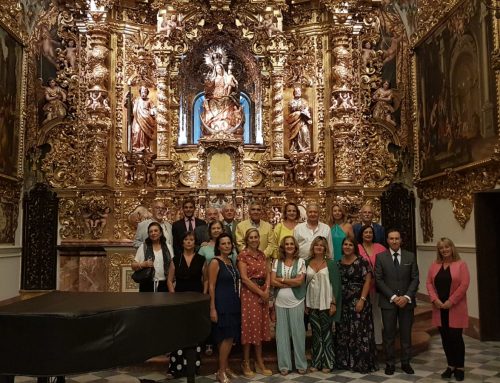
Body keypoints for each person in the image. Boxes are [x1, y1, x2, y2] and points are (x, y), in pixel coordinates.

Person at [375, 229, 419, 375]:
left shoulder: (410, 256)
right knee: (389, 335)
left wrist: (406, 297)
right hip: (388, 302)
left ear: (401, 240)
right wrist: (393, 297)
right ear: (387, 240)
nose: (394, 241)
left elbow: (415, 278)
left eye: (397, 238)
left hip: (407, 302)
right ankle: (390, 363)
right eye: (391, 238)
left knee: (406, 334)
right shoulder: (380, 257)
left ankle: (406, 362)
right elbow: (379, 280)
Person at [426, 238, 469, 381]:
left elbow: (464, 285)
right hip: (439, 307)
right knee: (445, 338)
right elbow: (429, 283)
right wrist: (435, 300)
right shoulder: (434, 265)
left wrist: (451, 301)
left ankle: (460, 367)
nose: (444, 250)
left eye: (446, 247)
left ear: (452, 248)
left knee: (456, 338)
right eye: (441, 248)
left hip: (455, 307)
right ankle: (451, 365)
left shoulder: (461, 264)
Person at [335, 237, 378, 373]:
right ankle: (345, 362)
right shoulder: (337, 263)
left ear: (354, 247)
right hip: (343, 302)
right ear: (342, 247)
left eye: (350, 245)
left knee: (359, 331)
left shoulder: (362, 262)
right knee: (344, 331)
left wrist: (362, 299)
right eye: (345, 244)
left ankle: (361, 363)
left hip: (359, 301)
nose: (347, 247)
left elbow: (368, 281)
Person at [166, 231, 205, 377]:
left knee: (194, 334)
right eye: (186, 240)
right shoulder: (176, 259)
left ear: (195, 243)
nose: (189, 242)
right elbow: (170, 280)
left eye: (191, 240)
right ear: (182, 243)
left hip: (196, 299)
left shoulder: (201, 259)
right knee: (179, 333)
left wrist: (204, 295)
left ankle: (193, 367)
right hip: (180, 300)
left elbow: (205, 280)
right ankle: (176, 367)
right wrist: (173, 296)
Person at [270, 236, 307, 375]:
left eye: (292, 244)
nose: (289, 246)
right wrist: (290, 281)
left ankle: (301, 364)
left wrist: (283, 279)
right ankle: (284, 365)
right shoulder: (277, 261)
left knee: (298, 334)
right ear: (283, 247)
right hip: (280, 302)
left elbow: (299, 282)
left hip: (296, 301)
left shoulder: (301, 262)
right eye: (287, 244)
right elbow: (272, 281)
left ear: (295, 246)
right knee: (282, 335)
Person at [238, 228, 272, 377]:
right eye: (250, 237)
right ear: (247, 240)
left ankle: (259, 361)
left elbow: (268, 273)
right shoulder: (243, 255)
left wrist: (267, 290)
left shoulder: (262, 254)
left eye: (256, 237)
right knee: (250, 326)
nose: (253, 239)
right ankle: (245, 362)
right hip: (250, 293)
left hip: (263, 292)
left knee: (260, 326)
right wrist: (260, 292)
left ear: (259, 239)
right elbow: (244, 278)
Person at [208, 233, 241, 383]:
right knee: (226, 337)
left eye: (229, 243)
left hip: (233, 301)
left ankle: (225, 367)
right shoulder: (215, 262)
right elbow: (211, 286)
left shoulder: (230, 261)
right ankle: (221, 371)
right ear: (218, 246)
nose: (227, 246)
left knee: (228, 337)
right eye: (224, 243)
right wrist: (212, 308)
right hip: (221, 303)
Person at [305, 236, 341, 373]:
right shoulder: (307, 262)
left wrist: (333, 302)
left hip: (326, 303)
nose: (319, 247)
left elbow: (336, 285)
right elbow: (304, 284)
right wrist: (305, 304)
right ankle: (316, 361)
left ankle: (328, 362)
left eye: (322, 245)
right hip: (312, 303)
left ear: (325, 248)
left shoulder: (331, 264)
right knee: (315, 333)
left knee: (326, 333)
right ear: (313, 247)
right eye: (316, 245)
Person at [358, 224, 386, 345]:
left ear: (373, 235)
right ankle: (363, 340)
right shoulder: (357, 247)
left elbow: (386, 265)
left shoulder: (380, 247)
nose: (368, 234)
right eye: (366, 232)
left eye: (370, 232)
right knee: (362, 313)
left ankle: (378, 340)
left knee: (376, 312)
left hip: (377, 286)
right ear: (362, 235)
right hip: (361, 286)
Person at [201, 58, 243, 134]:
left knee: (227, 100)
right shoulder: (213, 78)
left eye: (220, 68)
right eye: (217, 69)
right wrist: (207, 83)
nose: (218, 70)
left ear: (222, 69)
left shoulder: (226, 77)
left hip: (224, 94)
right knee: (211, 102)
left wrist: (231, 84)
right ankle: (213, 122)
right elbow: (208, 87)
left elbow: (233, 85)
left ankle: (227, 122)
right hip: (215, 95)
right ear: (215, 70)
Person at [131, 222, 173, 292]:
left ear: (161, 233)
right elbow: (133, 265)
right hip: (147, 285)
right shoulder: (144, 247)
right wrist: (143, 264)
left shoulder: (168, 247)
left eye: (156, 231)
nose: (153, 233)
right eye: (151, 231)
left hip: (164, 285)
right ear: (148, 234)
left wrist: (171, 283)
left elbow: (172, 266)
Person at [130, 85, 156, 152]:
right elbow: (129, 107)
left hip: (146, 119)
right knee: (136, 132)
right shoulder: (136, 100)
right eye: (142, 92)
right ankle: (135, 147)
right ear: (140, 93)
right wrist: (127, 101)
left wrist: (152, 111)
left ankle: (144, 147)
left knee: (144, 134)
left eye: (145, 92)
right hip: (137, 119)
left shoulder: (149, 101)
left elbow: (153, 108)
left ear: (147, 93)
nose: (143, 94)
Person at [286, 86, 312, 153]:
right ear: (294, 93)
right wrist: (297, 113)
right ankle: (295, 148)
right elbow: (289, 113)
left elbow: (307, 110)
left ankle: (305, 148)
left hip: (303, 120)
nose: (298, 92)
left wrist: (304, 114)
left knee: (304, 132)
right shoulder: (291, 102)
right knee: (296, 135)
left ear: (301, 92)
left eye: (299, 91)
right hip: (294, 121)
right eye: (296, 91)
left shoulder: (304, 102)